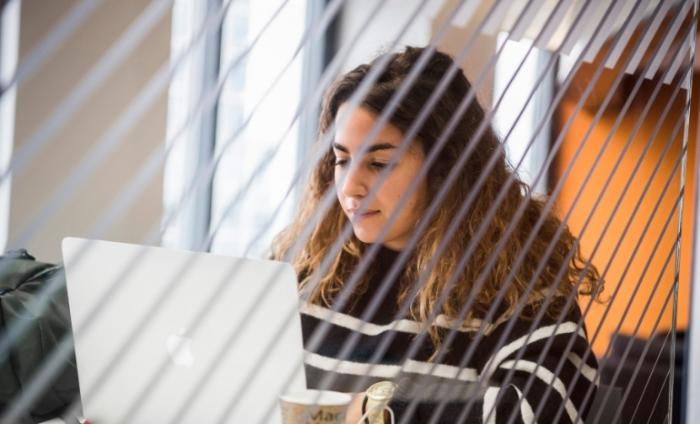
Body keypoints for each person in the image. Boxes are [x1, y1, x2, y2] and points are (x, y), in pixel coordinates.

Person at [272, 46, 603, 423]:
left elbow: (537, 413)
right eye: (342, 160)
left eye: (379, 164)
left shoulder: (521, 290)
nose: (349, 188)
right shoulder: (302, 271)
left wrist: (377, 413)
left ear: (447, 166)